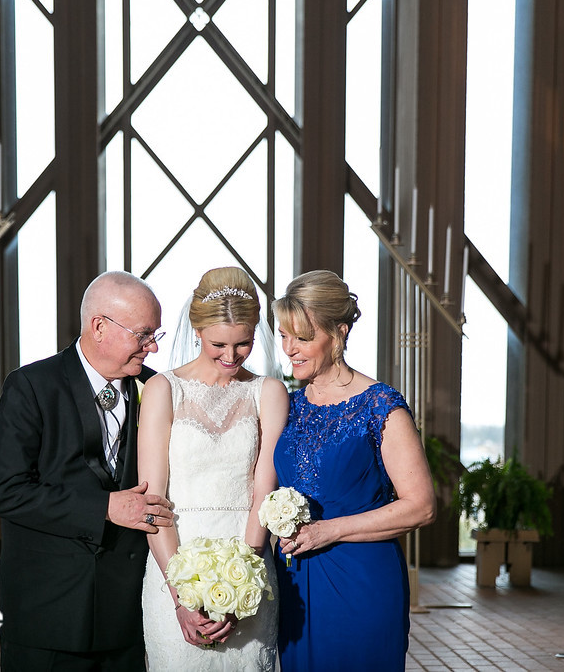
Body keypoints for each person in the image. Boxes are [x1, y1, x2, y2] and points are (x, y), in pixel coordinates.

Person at [0, 270, 175, 671]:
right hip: (46, 613)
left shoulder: (158, 389)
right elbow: (5, 491)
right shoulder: (31, 386)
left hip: (125, 615)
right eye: (143, 334)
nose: (153, 347)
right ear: (100, 326)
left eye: (155, 334)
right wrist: (104, 507)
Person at [271, 269, 436, 671]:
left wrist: (329, 530)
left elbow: (421, 507)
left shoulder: (380, 406)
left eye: (303, 337)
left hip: (361, 582)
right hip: (296, 584)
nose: (290, 349)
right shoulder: (287, 406)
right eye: (284, 336)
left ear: (339, 333)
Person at [137, 266, 288, 671]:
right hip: (174, 558)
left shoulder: (268, 392)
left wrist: (244, 583)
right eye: (218, 344)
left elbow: (264, 490)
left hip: (248, 558)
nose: (231, 356)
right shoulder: (163, 389)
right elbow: (152, 500)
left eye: (243, 344)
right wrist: (181, 597)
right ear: (197, 331)